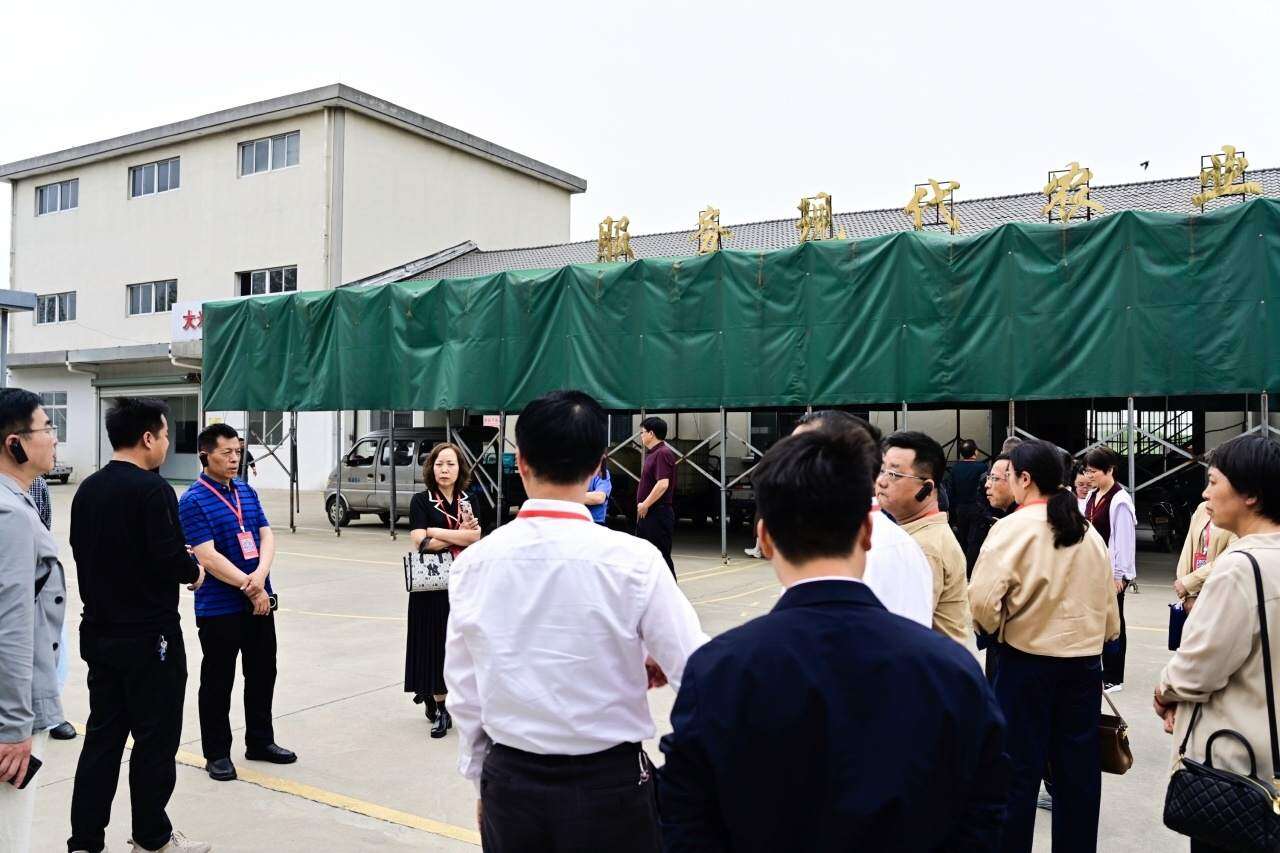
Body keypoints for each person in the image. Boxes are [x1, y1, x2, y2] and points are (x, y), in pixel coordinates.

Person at [658, 423, 1009, 852]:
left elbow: (686, 820)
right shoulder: (951, 671)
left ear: (764, 538)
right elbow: (984, 809)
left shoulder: (720, 669)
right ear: (867, 531)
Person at [445, 390, 707, 853]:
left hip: (513, 784)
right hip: (611, 785)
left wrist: (481, 779)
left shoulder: (474, 564)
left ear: (521, 462)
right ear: (599, 463)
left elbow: (465, 692)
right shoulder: (635, 561)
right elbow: (701, 674)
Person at [68, 397, 209, 853]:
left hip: (100, 633)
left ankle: (85, 841)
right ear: (148, 438)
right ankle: (151, 837)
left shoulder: (87, 490)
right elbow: (169, 556)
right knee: (154, 740)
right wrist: (193, 570)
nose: (167, 443)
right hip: (151, 638)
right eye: (165, 435)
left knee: (102, 740)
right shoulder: (153, 490)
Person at [969, 439, 1119, 853]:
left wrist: (994, 630)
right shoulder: (1087, 531)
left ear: (1025, 478)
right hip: (1083, 665)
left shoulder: (1012, 528)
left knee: (1016, 771)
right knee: (1078, 773)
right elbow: (1109, 607)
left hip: (1026, 663)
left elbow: (982, 601)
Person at [1154, 435, 1280, 853]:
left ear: (1251, 494)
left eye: (1213, 482)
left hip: (1238, 771)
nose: (1206, 493)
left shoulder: (1240, 568)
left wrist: (1164, 691)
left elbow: (1197, 669)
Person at [178, 423, 294, 783]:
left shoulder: (246, 490)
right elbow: (207, 557)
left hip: (258, 599)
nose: (234, 459)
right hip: (220, 607)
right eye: (226, 452)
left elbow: (265, 535)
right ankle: (216, 753)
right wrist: (250, 586)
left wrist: (260, 577)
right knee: (218, 679)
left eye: (238, 452)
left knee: (262, 672)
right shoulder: (193, 501)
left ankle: (260, 741)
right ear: (205, 455)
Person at [790, 411, 934, 627]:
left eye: (798, 454)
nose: (785, 464)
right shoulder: (817, 533)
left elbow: (904, 641)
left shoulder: (886, 550)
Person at [0, 389, 66, 852]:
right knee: (9, 832)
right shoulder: (11, 516)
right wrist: (14, 725)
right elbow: (12, 624)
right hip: (10, 709)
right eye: (46, 427)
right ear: (15, 444)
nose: (54, 438)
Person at [406, 442, 480, 737]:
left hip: (463, 582)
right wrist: (459, 535)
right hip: (432, 585)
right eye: (439, 464)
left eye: (450, 464)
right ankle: (441, 707)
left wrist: (437, 532)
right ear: (431, 468)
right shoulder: (421, 501)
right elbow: (420, 543)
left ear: (460, 468)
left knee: (461, 643)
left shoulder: (469, 500)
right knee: (433, 643)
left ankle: (436, 694)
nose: (444, 469)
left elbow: (476, 537)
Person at [878, 430, 972, 644]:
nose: (882, 481)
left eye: (894, 474)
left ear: (926, 488)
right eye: (882, 471)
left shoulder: (924, 548)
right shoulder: (918, 536)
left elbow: (903, 630)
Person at [27, 474, 77, 742]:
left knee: (52, 648)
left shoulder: (38, 484)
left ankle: (50, 712)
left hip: (36, 579)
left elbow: (44, 529)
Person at [1082, 446, 1136, 692]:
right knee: (1095, 621)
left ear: (1109, 470)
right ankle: (1098, 670)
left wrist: (1119, 575)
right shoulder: (1092, 496)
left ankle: (1114, 676)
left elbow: (1123, 541)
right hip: (1092, 570)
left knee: (1114, 623)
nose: (1089, 476)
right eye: (1087, 471)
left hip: (1112, 573)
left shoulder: (1120, 500)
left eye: (1093, 471)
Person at [1173, 499, 1237, 615]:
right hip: (1192, 593)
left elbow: (1229, 560)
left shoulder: (1240, 515)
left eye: (1214, 486)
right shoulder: (1202, 508)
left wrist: (1189, 583)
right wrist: (1189, 595)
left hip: (1219, 594)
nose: (1205, 493)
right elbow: (1188, 548)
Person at [635, 416, 678, 577]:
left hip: (657, 513)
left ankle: (670, 589)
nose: (641, 435)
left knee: (660, 556)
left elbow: (663, 484)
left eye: (642, 432)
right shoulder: (654, 453)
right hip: (649, 513)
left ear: (651, 433)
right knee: (646, 556)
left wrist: (645, 504)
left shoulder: (662, 453)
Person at [948, 438, 988, 573]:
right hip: (977, 508)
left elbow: (950, 490)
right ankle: (970, 571)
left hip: (960, 509)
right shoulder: (982, 467)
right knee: (974, 541)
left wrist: (952, 510)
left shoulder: (955, 469)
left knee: (962, 539)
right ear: (975, 452)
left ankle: (961, 568)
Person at [584, 457, 613, 526]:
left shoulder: (602, 472)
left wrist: (568, 495)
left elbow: (599, 498)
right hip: (572, 519)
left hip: (595, 522)